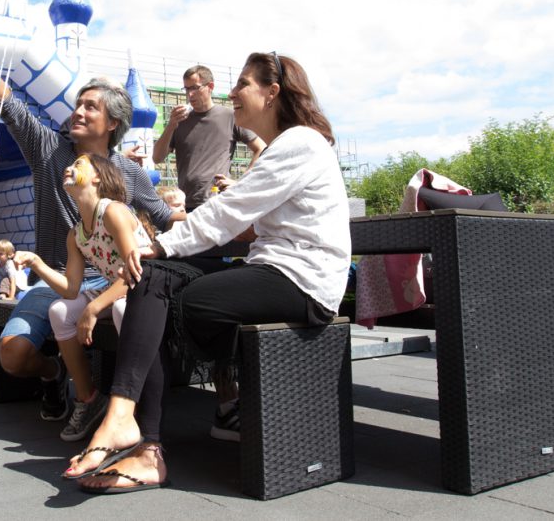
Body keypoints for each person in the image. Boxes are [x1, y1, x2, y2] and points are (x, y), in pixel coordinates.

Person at [67, 52, 351, 493]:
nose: (231, 92)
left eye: (243, 84)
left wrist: (159, 243)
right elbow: (239, 219)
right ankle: (132, 428)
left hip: (303, 283)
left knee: (164, 292)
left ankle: (151, 438)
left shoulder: (301, 143)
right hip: (270, 270)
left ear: (272, 92)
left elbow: (228, 214)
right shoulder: (283, 148)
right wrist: (159, 253)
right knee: (153, 277)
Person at [0, 3, 181, 425]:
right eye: (78, 104)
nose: (78, 111)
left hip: (111, 282)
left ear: (112, 124)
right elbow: (7, 103)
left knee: (130, 320)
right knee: (12, 355)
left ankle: (126, 411)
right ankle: (55, 375)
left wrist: (224, 217)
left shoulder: (129, 172)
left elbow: (163, 217)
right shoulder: (50, 150)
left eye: (90, 107)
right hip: (57, 280)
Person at [15, 153, 152, 442]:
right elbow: (70, 289)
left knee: (121, 310)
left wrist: (93, 308)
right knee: (60, 312)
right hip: (117, 287)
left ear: (97, 177)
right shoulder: (75, 234)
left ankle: (134, 410)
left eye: (78, 164)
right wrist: (38, 264)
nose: (69, 166)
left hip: (147, 285)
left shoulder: (113, 211)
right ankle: (88, 399)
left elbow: (137, 273)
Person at [149, 65, 265, 211]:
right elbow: (157, 158)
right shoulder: (179, 121)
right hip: (186, 205)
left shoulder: (230, 117)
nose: (190, 94)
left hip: (218, 202)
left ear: (210, 87)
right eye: (186, 89)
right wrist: (171, 125)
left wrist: (241, 184)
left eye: (195, 88)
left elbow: (261, 148)